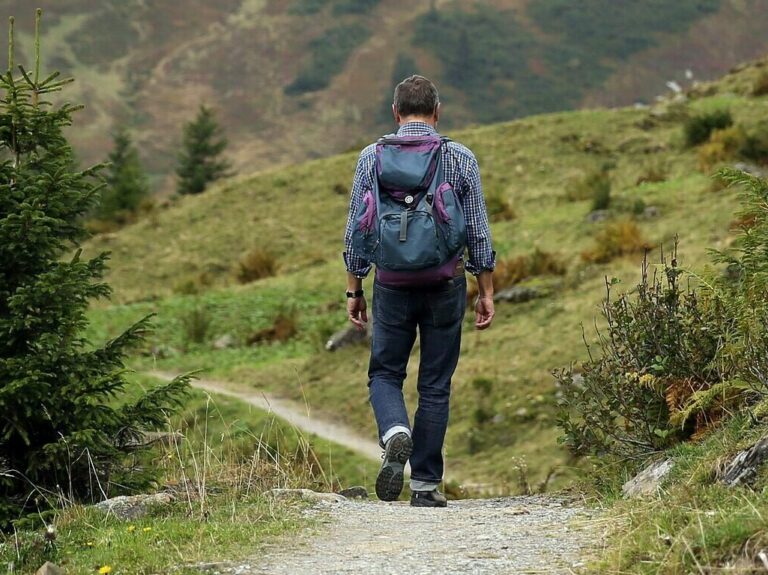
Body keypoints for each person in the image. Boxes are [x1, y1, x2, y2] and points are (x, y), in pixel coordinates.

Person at [343, 75, 495, 507]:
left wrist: (354, 288)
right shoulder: (459, 157)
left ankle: (395, 431)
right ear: (437, 111)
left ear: (395, 113)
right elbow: (479, 232)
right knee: (435, 384)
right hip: (445, 282)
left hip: (390, 283)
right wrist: (485, 289)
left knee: (385, 373)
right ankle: (426, 485)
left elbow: (357, 227)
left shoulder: (371, 157)